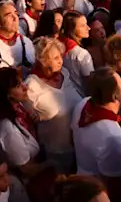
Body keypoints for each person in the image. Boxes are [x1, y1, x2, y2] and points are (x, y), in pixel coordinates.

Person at [25, 37, 83, 170]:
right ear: (42, 60)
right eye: (55, 57)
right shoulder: (31, 85)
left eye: (60, 56)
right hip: (55, 153)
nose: (60, 61)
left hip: (78, 145)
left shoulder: (64, 73)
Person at [72, 67, 121, 199]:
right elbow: (114, 185)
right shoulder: (112, 137)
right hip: (99, 195)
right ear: (116, 95)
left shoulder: (82, 105)